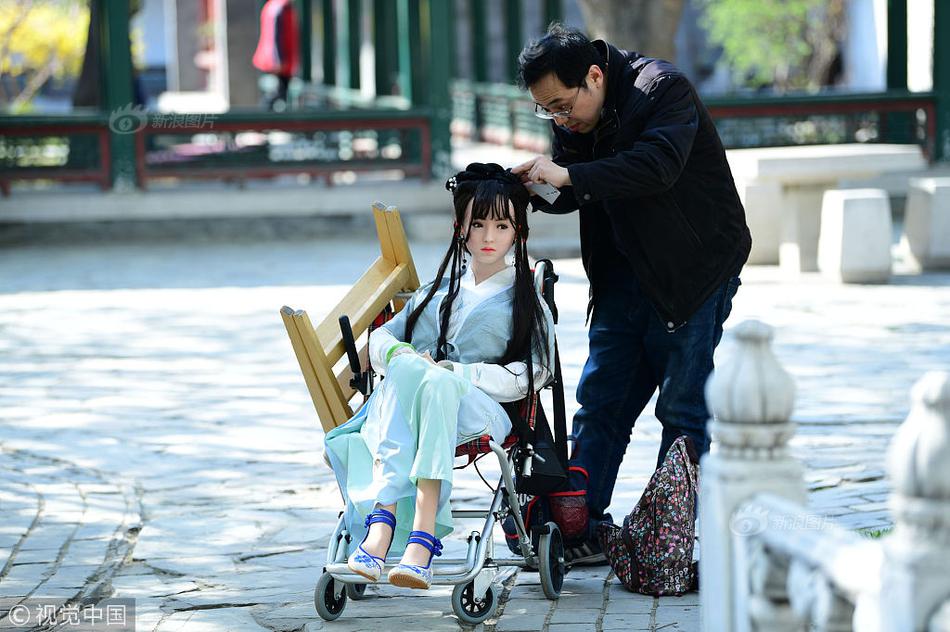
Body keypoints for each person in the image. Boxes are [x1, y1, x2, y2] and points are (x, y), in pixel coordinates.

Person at [511, 24, 752, 562]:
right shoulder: (576, 112)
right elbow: (583, 184)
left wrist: (569, 177)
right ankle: (577, 531)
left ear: (595, 76)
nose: (559, 119)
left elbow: (656, 167)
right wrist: (535, 189)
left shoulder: (663, 89)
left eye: (562, 104)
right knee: (601, 406)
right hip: (621, 277)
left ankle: (666, 542)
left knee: (682, 410)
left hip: (693, 274)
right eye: (545, 110)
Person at [324, 163, 555, 589]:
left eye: (501, 225)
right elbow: (380, 342)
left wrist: (460, 371)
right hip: (422, 405)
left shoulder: (527, 300)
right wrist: (403, 356)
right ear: (460, 227)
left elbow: (535, 372)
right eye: (478, 223)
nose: (488, 237)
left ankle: (383, 525)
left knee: (436, 381)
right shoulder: (438, 293)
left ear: (518, 232)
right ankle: (416, 535)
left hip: (483, 412)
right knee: (413, 372)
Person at [252, 0, 300, 111]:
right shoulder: (280, 7)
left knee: (277, 93)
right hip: (278, 61)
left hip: (275, 59)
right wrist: (278, 61)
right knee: (277, 93)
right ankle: (264, 121)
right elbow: (276, 36)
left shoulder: (272, 6)